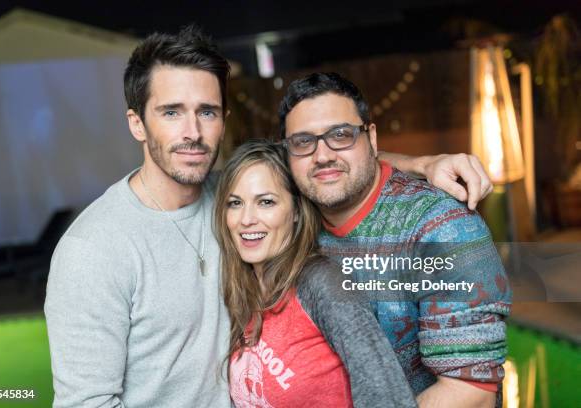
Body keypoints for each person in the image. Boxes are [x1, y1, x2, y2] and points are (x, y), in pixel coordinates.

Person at [45, 26, 495, 407]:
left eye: (207, 112)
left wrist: (424, 163)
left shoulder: (235, 193)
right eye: (171, 113)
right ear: (137, 123)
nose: (193, 132)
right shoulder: (93, 251)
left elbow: (323, 160)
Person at [278, 72, 511, 407]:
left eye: (341, 134)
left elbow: (471, 393)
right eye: (303, 142)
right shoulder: (290, 216)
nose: (323, 155)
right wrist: (421, 163)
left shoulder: (441, 227)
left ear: (371, 139)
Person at [214, 140, 417, 407]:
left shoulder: (321, 282)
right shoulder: (245, 289)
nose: (246, 219)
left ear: (297, 210)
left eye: (266, 202)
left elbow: (387, 396)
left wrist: (422, 165)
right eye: (235, 203)